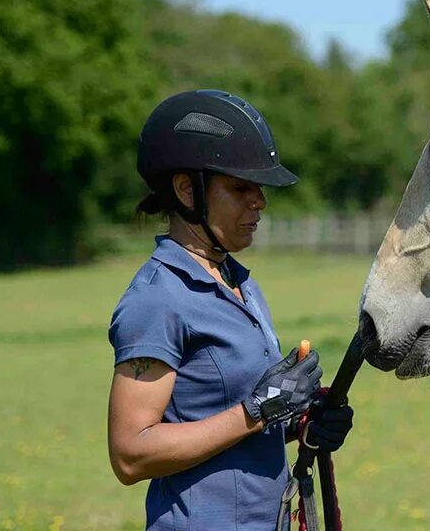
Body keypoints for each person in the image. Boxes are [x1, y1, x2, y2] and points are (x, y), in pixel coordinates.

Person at [107, 89, 354, 530]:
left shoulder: (241, 283)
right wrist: (256, 412)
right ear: (187, 190)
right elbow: (130, 453)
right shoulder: (156, 299)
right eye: (240, 187)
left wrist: (302, 420)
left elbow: (234, 414)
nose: (259, 200)